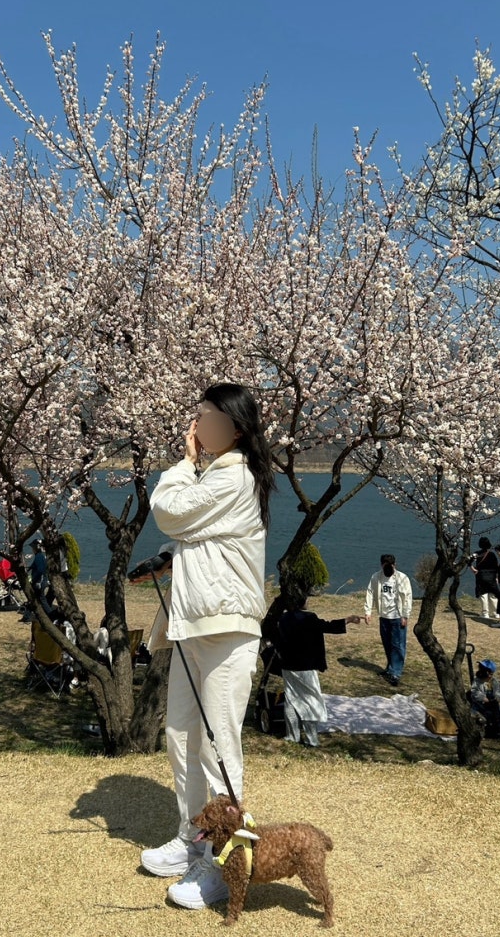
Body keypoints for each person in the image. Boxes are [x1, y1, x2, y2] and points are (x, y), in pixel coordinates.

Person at [139, 383, 274, 912]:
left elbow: (170, 512)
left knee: (217, 746)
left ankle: (222, 862)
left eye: (207, 417)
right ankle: (193, 836)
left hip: (225, 628)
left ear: (235, 427)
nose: (197, 427)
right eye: (196, 417)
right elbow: (195, 535)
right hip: (194, 624)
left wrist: (183, 461)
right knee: (182, 737)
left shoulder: (234, 474)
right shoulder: (216, 474)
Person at [263, 592, 360, 746]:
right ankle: (311, 739)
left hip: (288, 666)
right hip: (306, 666)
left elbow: (274, 638)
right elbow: (327, 626)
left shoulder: (283, 618)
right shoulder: (309, 618)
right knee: (310, 700)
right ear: (303, 602)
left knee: (291, 699)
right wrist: (347, 620)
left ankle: (292, 735)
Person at [364, 553, 413, 686]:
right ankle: (390, 668)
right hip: (384, 616)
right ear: (382, 565)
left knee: (398, 645)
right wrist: (368, 612)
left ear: (394, 565)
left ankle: (396, 672)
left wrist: (405, 615)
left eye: (390, 566)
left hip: (397, 617)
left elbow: (407, 598)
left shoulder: (402, 578)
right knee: (387, 643)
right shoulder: (376, 577)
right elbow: (370, 593)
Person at [469, 658, 500, 738]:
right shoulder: (477, 681)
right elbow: (475, 693)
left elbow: (499, 693)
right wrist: (483, 698)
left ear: (489, 673)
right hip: (479, 706)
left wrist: (497, 698)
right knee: (473, 714)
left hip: (492, 706)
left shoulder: (494, 682)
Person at [470, 536, 499, 620]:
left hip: (481, 575)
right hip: (492, 576)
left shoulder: (476, 554)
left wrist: (473, 569)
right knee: (493, 595)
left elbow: (468, 561)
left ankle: (485, 613)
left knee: (483, 595)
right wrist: (497, 577)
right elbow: (496, 567)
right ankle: (496, 613)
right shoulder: (492, 554)